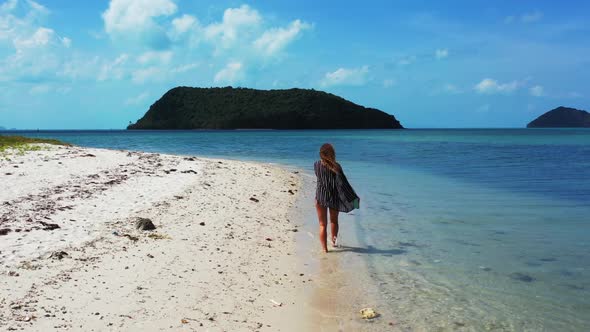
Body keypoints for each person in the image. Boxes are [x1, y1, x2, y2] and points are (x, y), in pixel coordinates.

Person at [314, 143, 359, 253]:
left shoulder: (316, 164)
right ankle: (333, 243)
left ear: (320, 154)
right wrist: (355, 200)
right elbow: (344, 184)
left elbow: (319, 179)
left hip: (320, 197)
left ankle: (324, 249)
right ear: (332, 154)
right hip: (333, 197)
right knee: (334, 221)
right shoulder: (336, 166)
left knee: (322, 225)